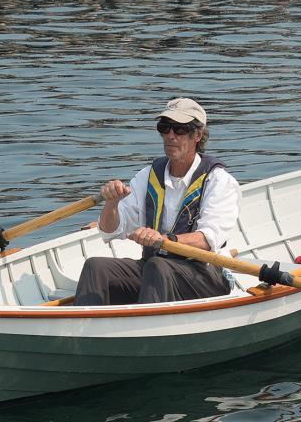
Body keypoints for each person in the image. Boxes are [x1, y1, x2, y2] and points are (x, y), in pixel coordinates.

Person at [73, 98, 241, 306]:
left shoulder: (219, 181)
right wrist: (111, 204)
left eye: (179, 129)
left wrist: (163, 239)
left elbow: (207, 240)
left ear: (197, 135)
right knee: (96, 267)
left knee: (157, 266)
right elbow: (110, 231)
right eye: (164, 127)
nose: (170, 135)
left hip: (204, 276)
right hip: (156, 269)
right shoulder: (148, 176)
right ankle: (83, 333)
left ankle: (143, 333)